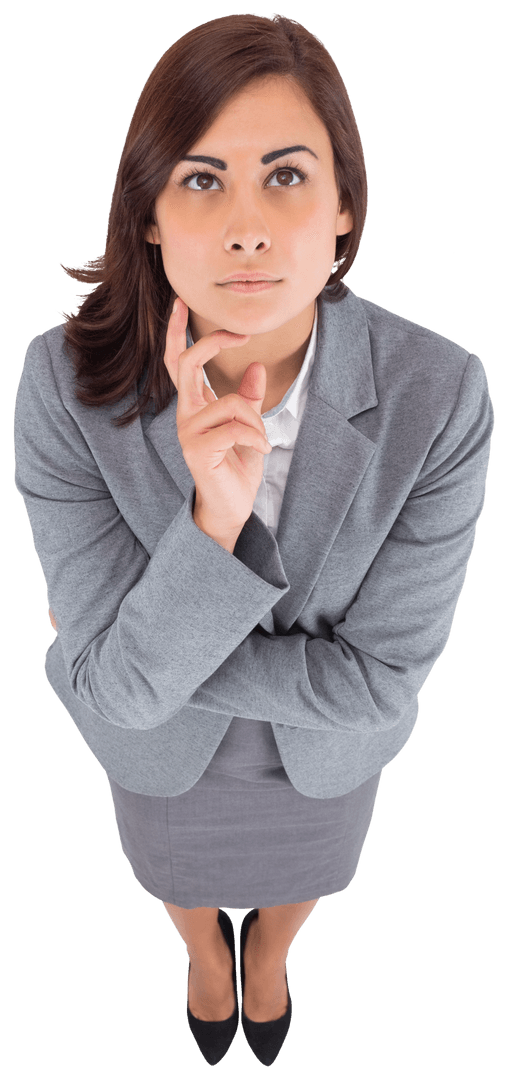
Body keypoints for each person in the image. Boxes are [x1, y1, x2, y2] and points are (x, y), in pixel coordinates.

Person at [12, 12, 495, 1070]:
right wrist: (212, 518)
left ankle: (268, 957)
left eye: (284, 177)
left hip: (327, 766)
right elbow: (135, 706)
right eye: (199, 180)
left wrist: (114, 654)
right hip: (157, 766)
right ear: (145, 214)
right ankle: (201, 955)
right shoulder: (60, 383)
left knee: (300, 879)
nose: (245, 227)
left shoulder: (442, 394)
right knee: (176, 882)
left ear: (342, 210)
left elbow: (376, 695)